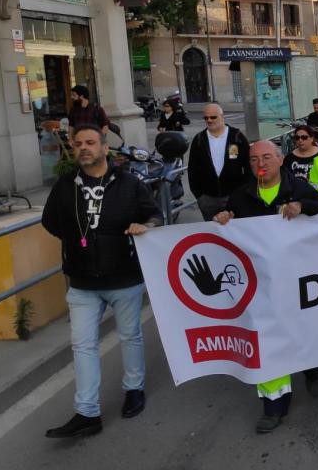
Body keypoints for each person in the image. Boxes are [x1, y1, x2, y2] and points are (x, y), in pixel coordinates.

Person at [41, 125, 162, 438]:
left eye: (91, 143)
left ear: (105, 148)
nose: (84, 148)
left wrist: (143, 225)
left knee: (130, 336)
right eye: (78, 143)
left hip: (124, 276)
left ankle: (134, 389)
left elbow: (154, 215)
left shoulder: (129, 183)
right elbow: (50, 221)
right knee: (82, 345)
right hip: (81, 282)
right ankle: (87, 411)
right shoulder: (65, 186)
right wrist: (76, 242)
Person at [214, 141, 318, 433]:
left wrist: (303, 206)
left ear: (280, 159)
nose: (259, 163)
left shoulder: (298, 187)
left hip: (299, 278)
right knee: (267, 340)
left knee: (302, 331)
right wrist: (224, 218)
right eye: (253, 159)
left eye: (266, 157)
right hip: (260, 283)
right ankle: (274, 406)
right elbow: (230, 228)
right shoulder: (241, 195)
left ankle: (312, 368)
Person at [188, 103, 252, 222]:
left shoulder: (237, 137)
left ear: (222, 117)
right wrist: (200, 196)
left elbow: (249, 166)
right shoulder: (199, 140)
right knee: (213, 235)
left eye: (213, 117)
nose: (209, 120)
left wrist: (243, 192)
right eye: (206, 118)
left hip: (234, 197)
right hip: (208, 199)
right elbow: (192, 170)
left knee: (235, 232)